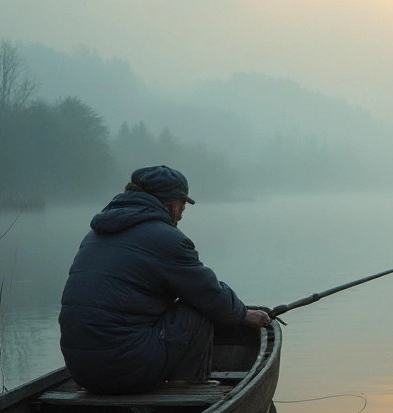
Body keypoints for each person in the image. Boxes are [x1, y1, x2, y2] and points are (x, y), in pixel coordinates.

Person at [59, 165, 271, 394]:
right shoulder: (166, 239)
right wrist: (243, 314)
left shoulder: (95, 235)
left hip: (81, 371)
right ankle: (187, 384)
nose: (183, 213)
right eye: (183, 204)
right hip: (126, 369)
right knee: (198, 306)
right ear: (170, 203)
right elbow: (208, 293)